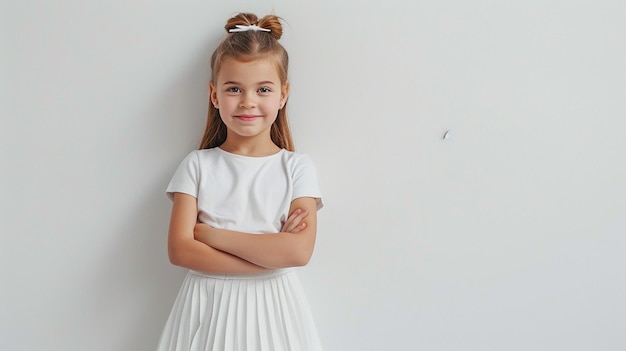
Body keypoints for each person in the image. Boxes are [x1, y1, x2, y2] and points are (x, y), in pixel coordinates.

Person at [156, 13, 324, 351]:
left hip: (275, 307)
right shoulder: (197, 165)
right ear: (215, 95)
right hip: (207, 305)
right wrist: (268, 257)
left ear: (283, 94)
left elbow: (298, 251)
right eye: (234, 89)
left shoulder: (297, 168)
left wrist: (209, 234)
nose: (248, 101)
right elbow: (180, 250)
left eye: (263, 89)